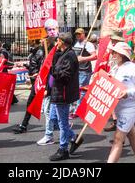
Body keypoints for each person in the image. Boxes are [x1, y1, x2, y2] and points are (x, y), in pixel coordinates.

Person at [107, 42, 135, 163]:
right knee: (132, 135)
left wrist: (127, 93)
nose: (112, 53)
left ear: (122, 54)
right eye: (113, 51)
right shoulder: (115, 68)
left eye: (115, 52)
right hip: (119, 109)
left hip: (129, 109)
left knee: (117, 139)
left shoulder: (133, 68)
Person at [48, 33, 79, 161]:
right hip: (57, 92)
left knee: (62, 122)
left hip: (63, 94)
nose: (56, 42)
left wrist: (53, 71)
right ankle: (74, 138)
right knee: (54, 119)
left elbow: (65, 76)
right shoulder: (62, 53)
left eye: (58, 40)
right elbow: (56, 65)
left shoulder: (70, 55)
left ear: (62, 42)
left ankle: (63, 149)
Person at [37, 19, 62, 146]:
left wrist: (49, 86)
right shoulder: (45, 44)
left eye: (54, 29)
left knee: (50, 110)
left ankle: (50, 135)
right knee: (51, 111)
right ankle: (55, 134)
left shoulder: (61, 44)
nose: (52, 31)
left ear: (58, 28)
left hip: (57, 84)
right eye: (49, 29)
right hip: (50, 83)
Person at [13, 39, 44, 134]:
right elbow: (33, 66)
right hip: (34, 80)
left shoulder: (41, 52)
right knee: (50, 105)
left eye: (30, 39)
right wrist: (24, 65)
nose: (28, 40)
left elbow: (43, 68)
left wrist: (37, 74)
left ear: (34, 41)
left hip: (38, 82)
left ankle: (24, 125)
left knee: (31, 103)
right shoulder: (34, 52)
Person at [71, 28, 97, 118]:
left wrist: (83, 58)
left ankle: (78, 110)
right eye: (76, 34)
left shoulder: (88, 44)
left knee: (82, 91)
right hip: (77, 70)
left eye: (79, 34)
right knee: (77, 90)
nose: (78, 36)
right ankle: (79, 109)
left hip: (84, 70)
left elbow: (95, 56)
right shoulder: (76, 43)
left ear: (83, 34)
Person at [103, 29, 126, 132]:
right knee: (112, 101)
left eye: (112, 38)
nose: (111, 39)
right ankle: (116, 122)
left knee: (119, 104)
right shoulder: (113, 46)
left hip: (120, 77)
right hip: (113, 75)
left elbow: (121, 64)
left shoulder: (122, 49)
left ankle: (121, 133)